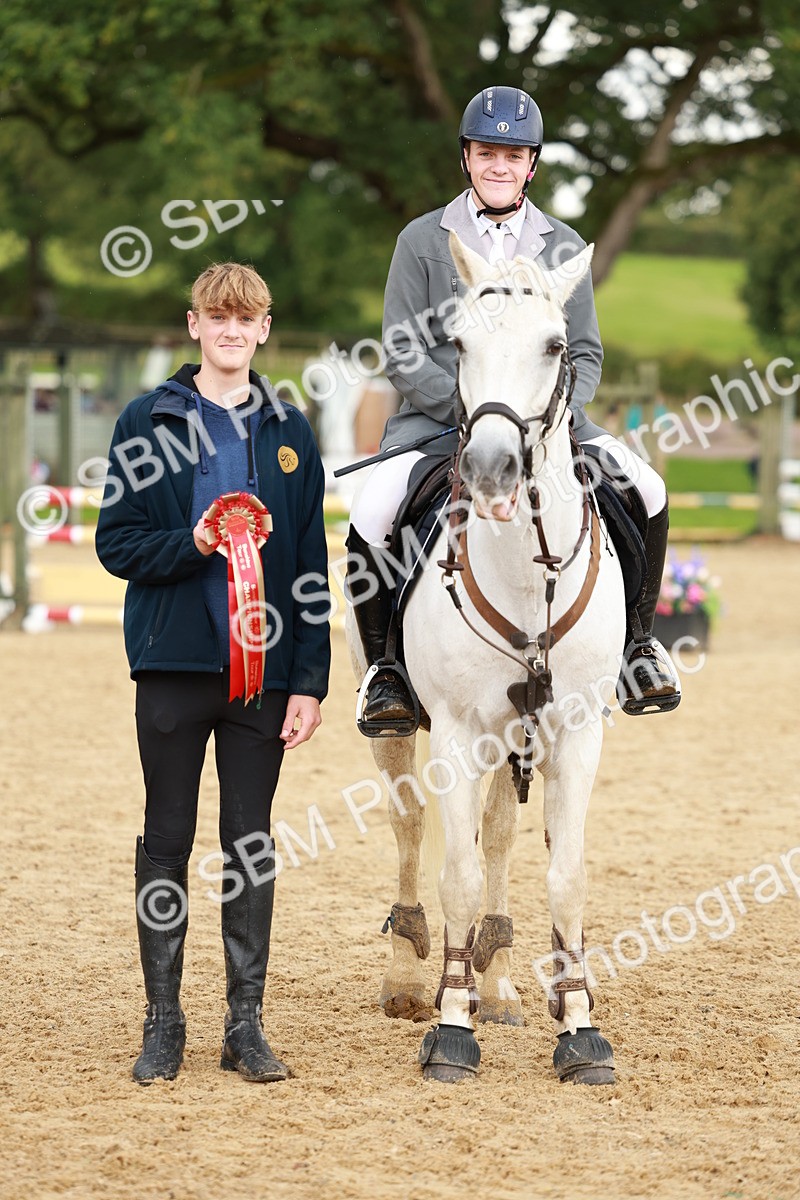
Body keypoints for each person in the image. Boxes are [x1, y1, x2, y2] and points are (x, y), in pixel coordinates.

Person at [348, 84, 679, 730]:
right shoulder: (421, 240)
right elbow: (402, 348)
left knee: (649, 487)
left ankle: (639, 645)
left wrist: (550, 420)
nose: (499, 166)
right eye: (486, 152)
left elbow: (583, 352)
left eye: (513, 155)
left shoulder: (562, 244)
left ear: (532, 165)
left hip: (549, 426)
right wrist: (474, 415)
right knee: (372, 510)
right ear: (466, 158)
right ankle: (385, 669)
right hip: (440, 425)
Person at [96, 262, 331, 1084]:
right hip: (170, 662)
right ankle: (164, 1024)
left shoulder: (293, 432)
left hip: (261, 676)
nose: (231, 331)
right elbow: (115, 543)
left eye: (246, 319)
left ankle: (246, 1024)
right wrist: (192, 544)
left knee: (251, 843)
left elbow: (309, 566)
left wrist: (311, 680)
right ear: (193, 325)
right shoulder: (143, 420)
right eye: (216, 317)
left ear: (264, 330)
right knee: (166, 839)